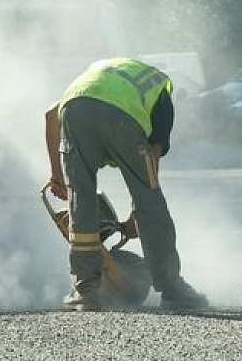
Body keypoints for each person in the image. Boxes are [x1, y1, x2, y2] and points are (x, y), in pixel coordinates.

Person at [45, 57, 208, 311]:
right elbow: (150, 172)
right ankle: (173, 289)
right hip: (121, 119)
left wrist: (58, 176)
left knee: (81, 203)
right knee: (150, 202)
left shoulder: (95, 76)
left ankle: (86, 291)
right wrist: (136, 214)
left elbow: (49, 116)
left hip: (74, 112)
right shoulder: (161, 92)